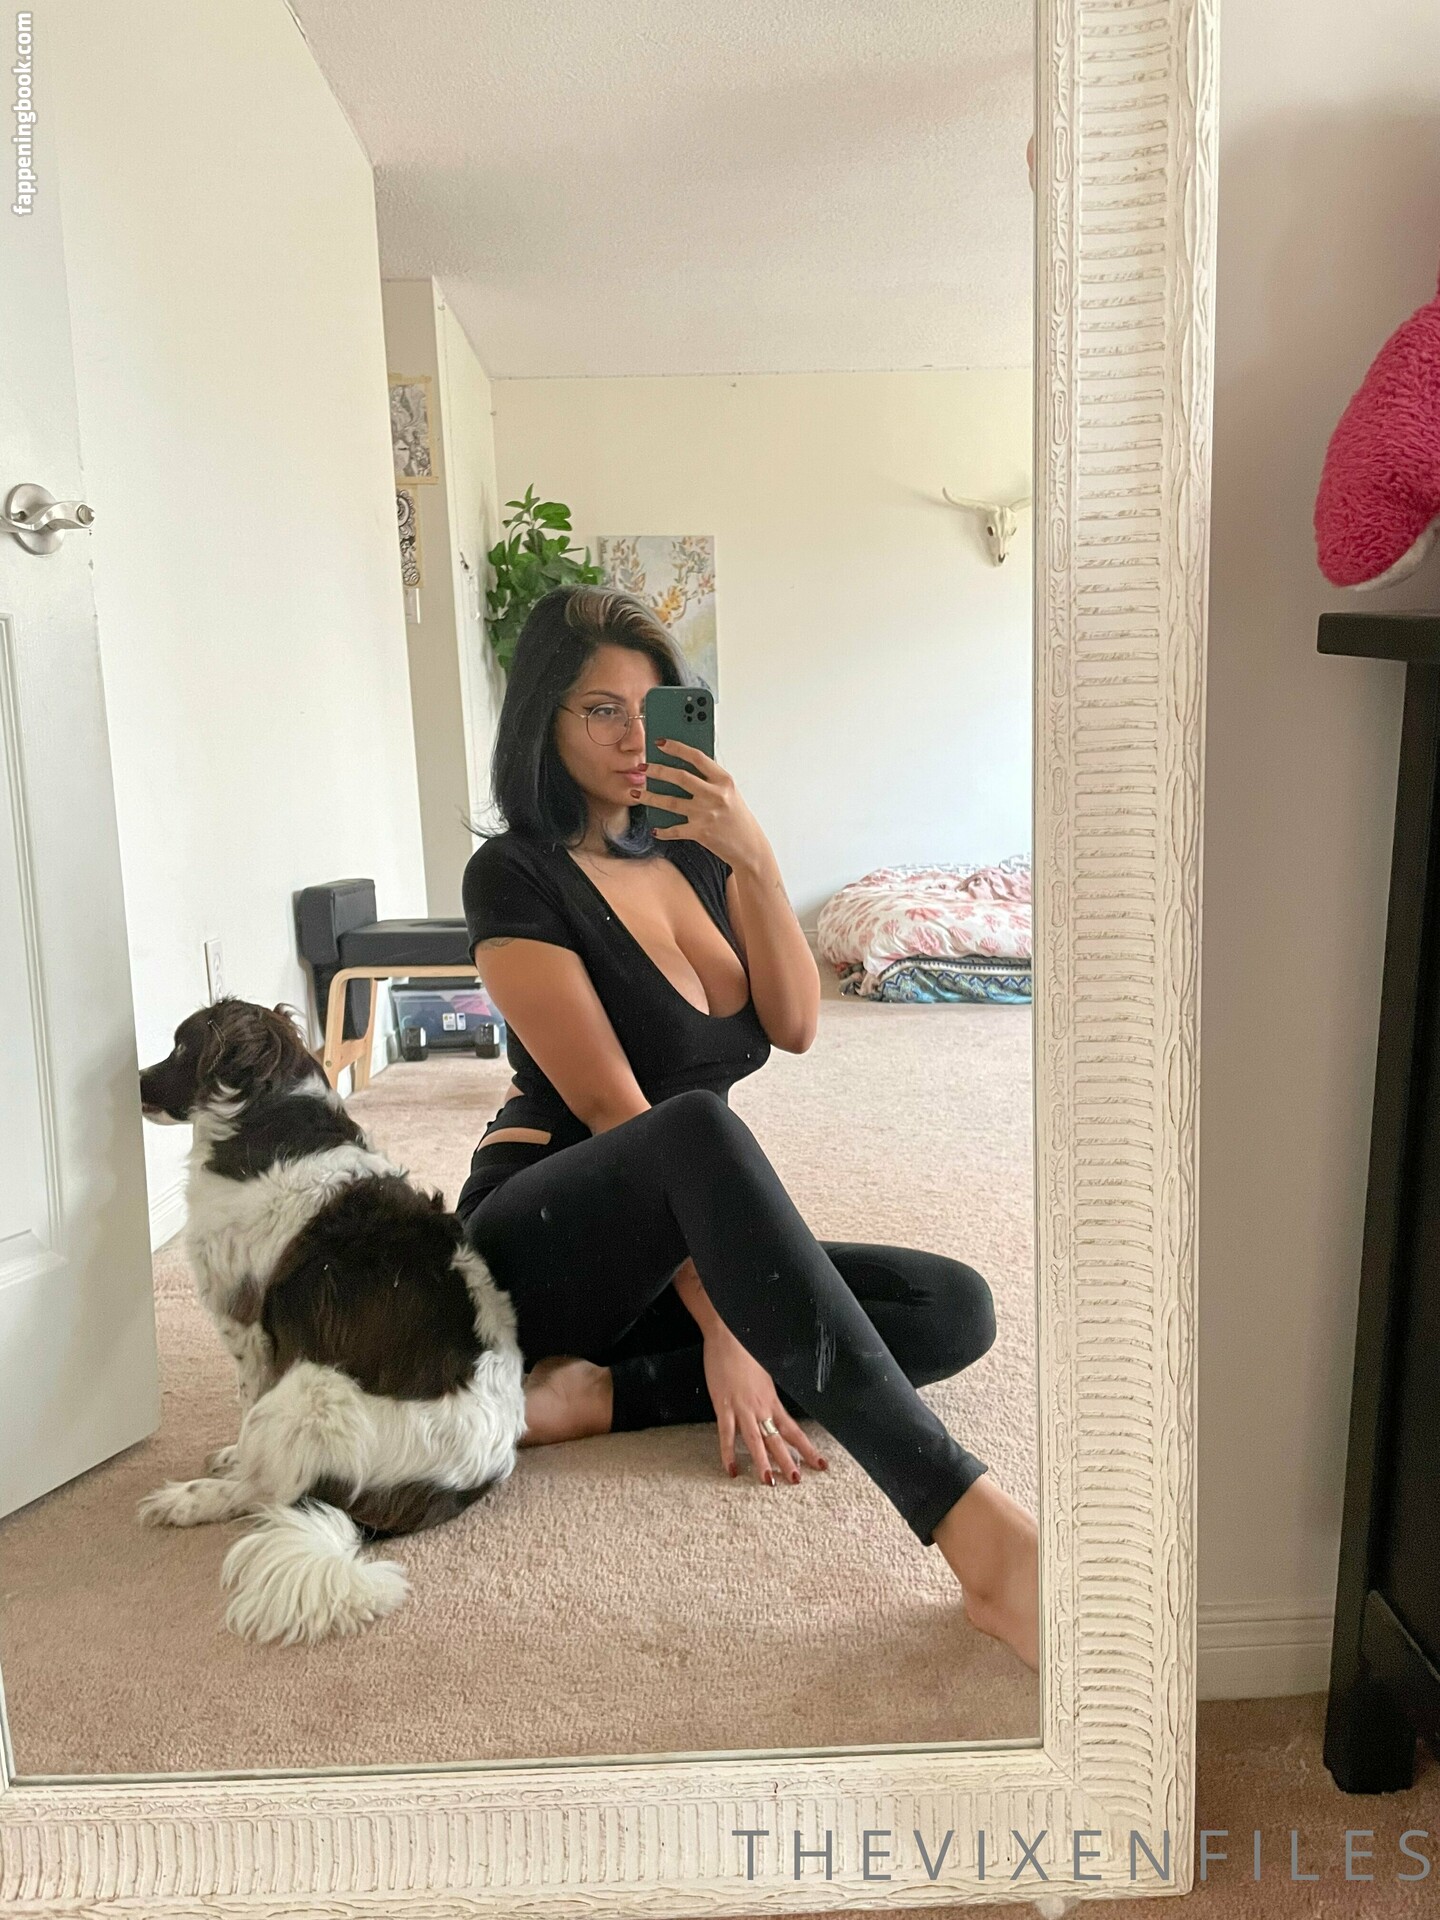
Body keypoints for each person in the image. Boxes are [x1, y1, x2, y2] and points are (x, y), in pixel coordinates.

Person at [456, 584, 1039, 1668]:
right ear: (542, 719)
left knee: (951, 1308)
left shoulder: (694, 855)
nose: (635, 739)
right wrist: (729, 1329)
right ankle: (981, 1538)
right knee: (694, 1129)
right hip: (543, 1240)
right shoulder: (515, 875)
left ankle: (601, 1397)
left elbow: (798, 1023)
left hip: (680, 1234)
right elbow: (612, 1111)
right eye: (601, 711)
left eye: (652, 709)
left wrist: (756, 858)